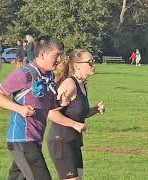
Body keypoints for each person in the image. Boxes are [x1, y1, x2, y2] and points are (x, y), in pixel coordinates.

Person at [0, 36, 64, 180]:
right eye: (56, 55)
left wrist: (64, 102)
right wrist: (20, 109)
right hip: (22, 139)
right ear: (43, 54)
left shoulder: (48, 76)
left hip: (35, 139)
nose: (59, 60)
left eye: (61, 55)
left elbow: (51, 107)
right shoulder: (24, 74)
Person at [47, 49, 105, 180]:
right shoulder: (69, 84)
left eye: (93, 62)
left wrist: (95, 109)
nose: (93, 65)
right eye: (90, 62)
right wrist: (74, 124)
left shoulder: (82, 85)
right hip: (61, 140)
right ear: (78, 65)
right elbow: (50, 113)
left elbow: (77, 112)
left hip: (74, 141)